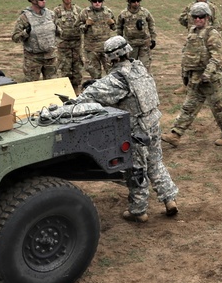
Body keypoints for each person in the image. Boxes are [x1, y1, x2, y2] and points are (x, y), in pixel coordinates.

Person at [70, 36, 178, 223]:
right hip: (153, 121)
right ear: (128, 51)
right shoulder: (139, 67)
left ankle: (139, 210)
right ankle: (169, 199)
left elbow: (92, 95)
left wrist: (71, 103)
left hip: (136, 129)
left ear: (111, 58)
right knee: (156, 161)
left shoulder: (118, 78)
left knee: (136, 169)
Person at [162, 2, 222, 147]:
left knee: (219, 109)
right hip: (195, 77)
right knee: (189, 106)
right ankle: (175, 134)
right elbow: (187, 54)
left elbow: (216, 57)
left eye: (201, 17)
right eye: (195, 17)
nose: (198, 19)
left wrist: (207, 74)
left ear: (207, 17)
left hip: (212, 79)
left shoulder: (212, 34)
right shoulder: (193, 32)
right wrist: (187, 75)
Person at [175, 0, 221, 95]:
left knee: (207, 60)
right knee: (186, 60)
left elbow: (217, 24)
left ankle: (208, 83)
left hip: (206, 39)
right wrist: (190, 25)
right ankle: (185, 84)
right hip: (192, 38)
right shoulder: (190, 7)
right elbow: (181, 18)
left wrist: (214, 36)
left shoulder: (212, 8)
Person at [11, 0, 59, 81]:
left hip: (51, 57)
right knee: (32, 87)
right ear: (33, 0)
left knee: (52, 86)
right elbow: (15, 37)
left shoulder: (51, 15)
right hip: (33, 59)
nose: (44, 1)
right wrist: (26, 33)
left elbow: (58, 33)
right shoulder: (25, 17)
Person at [78, 0, 116, 81]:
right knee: (95, 75)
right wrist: (86, 25)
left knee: (112, 73)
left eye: (100, 1)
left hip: (106, 49)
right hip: (92, 50)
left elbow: (115, 27)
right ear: (91, 1)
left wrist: (112, 24)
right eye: (95, 1)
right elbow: (78, 28)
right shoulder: (85, 13)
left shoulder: (108, 12)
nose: (97, 3)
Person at [116, 0, 157, 72]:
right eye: (133, 1)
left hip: (144, 43)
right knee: (130, 68)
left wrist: (153, 39)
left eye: (138, 1)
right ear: (129, 2)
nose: (136, 3)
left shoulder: (145, 12)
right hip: (130, 45)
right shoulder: (123, 14)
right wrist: (120, 43)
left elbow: (151, 24)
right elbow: (119, 28)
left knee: (145, 68)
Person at [53, 0, 84, 92]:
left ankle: (76, 91)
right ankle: (66, 92)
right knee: (64, 70)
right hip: (63, 46)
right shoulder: (56, 11)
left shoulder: (79, 10)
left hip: (76, 45)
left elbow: (84, 25)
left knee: (77, 70)